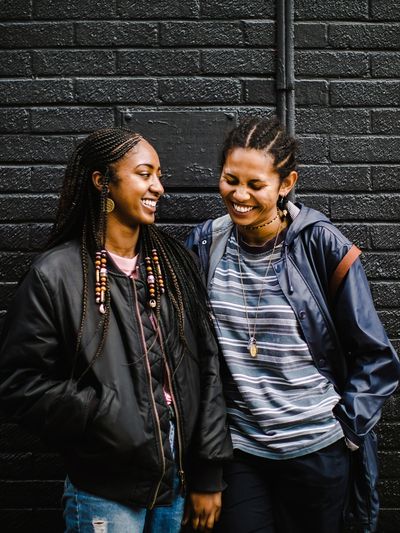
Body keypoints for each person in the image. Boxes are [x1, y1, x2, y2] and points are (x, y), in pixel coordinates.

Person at [0, 128, 232, 533]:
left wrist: (209, 472)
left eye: (159, 175)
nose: (157, 187)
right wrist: (102, 412)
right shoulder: (56, 275)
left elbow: (208, 368)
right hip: (103, 491)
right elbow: (17, 383)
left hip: (177, 487)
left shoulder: (175, 265)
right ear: (101, 181)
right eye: (144, 174)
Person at [186, 116, 400, 533]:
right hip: (242, 450)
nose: (239, 195)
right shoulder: (204, 245)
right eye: (231, 180)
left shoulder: (322, 246)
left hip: (317, 450)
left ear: (286, 184)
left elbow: (377, 356)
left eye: (255, 184)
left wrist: (347, 431)